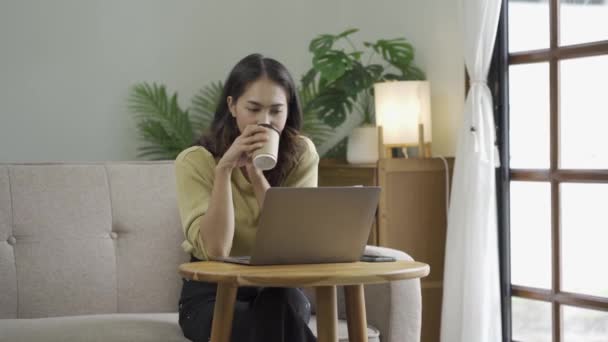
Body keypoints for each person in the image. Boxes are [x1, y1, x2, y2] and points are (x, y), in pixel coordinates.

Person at [174, 53, 319, 342]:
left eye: (276, 111)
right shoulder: (195, 161)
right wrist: (224, 170)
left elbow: (292, 241)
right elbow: (217, 250)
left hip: (280, 290)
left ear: (288, 110)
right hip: (211, 295)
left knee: (279, 307)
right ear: (232, 106)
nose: (264, 121)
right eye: (253, 109)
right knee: (268, 324)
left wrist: (256, 174)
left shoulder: (301, 154)